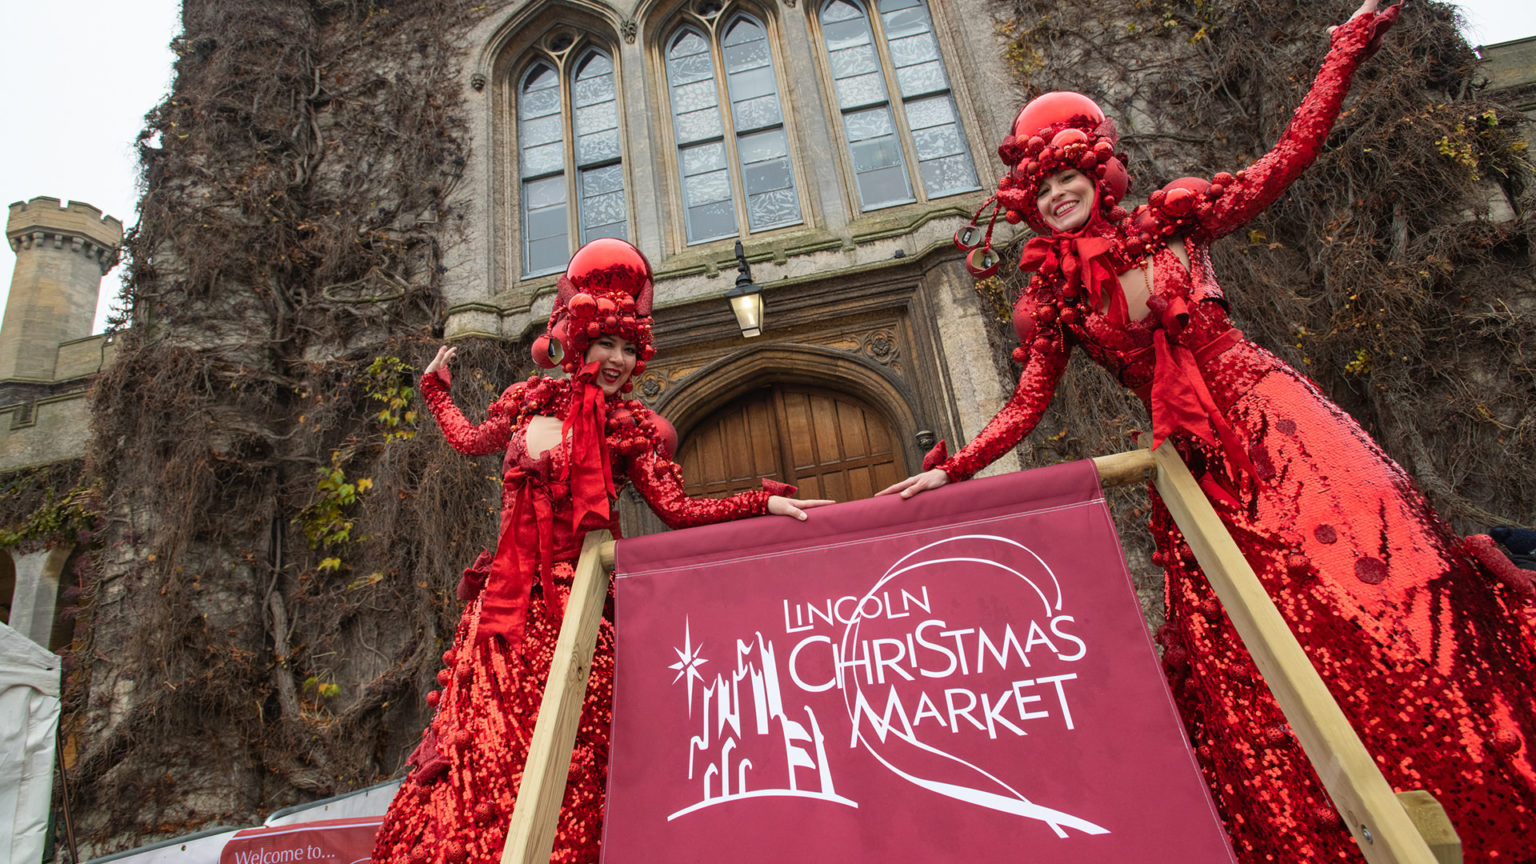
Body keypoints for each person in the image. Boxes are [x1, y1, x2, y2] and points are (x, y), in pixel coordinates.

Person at [879, 2, 1536, 860]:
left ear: (1099, 170)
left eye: (1069, 175)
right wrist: (953, 468)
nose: (1059, 193)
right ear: (1029, 202)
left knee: (1385, 580)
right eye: (1041, 187)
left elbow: (1288, 156)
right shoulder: (1054, 298)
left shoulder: (1176, 223)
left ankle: (1469, 778)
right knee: (1266, 631)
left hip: (1278, 421)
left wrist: (1342, 52)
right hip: (1194, 464)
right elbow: (1028, 403)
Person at [371, 238, 832, 864]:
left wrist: (761, 502)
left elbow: (680, 511)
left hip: (579, 609)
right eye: (605, 342)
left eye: (628, 348)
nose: (616, 359)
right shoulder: (526, 398)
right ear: (578, 338)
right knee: (485, 751)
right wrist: (434, 390)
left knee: (575, 756)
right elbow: (471, 440)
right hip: (504, 614)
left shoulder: (630, 428)